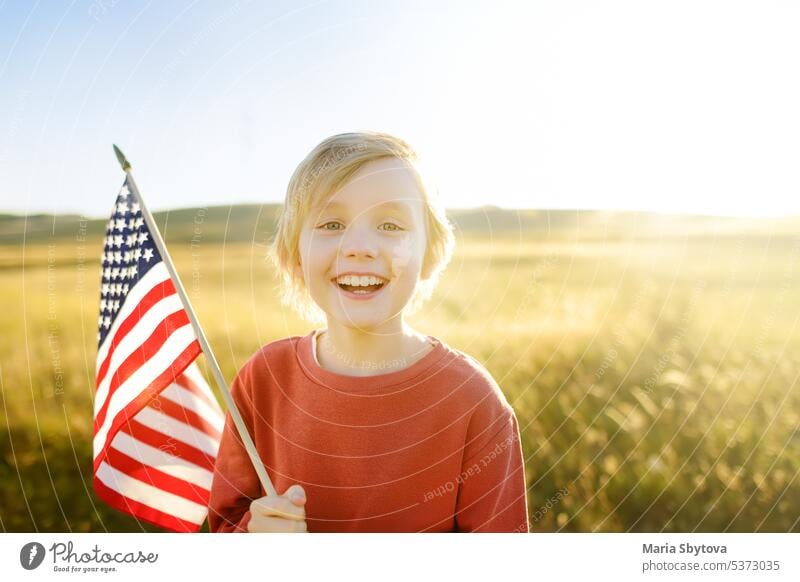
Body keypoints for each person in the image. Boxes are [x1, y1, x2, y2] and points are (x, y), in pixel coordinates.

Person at [207, 132, 529, 532]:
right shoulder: (264, 379)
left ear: (429, 255)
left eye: (390, 224)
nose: (359, 246)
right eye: (332, 223)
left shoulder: (472, 401)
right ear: (294, 256)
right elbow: (223, 522)